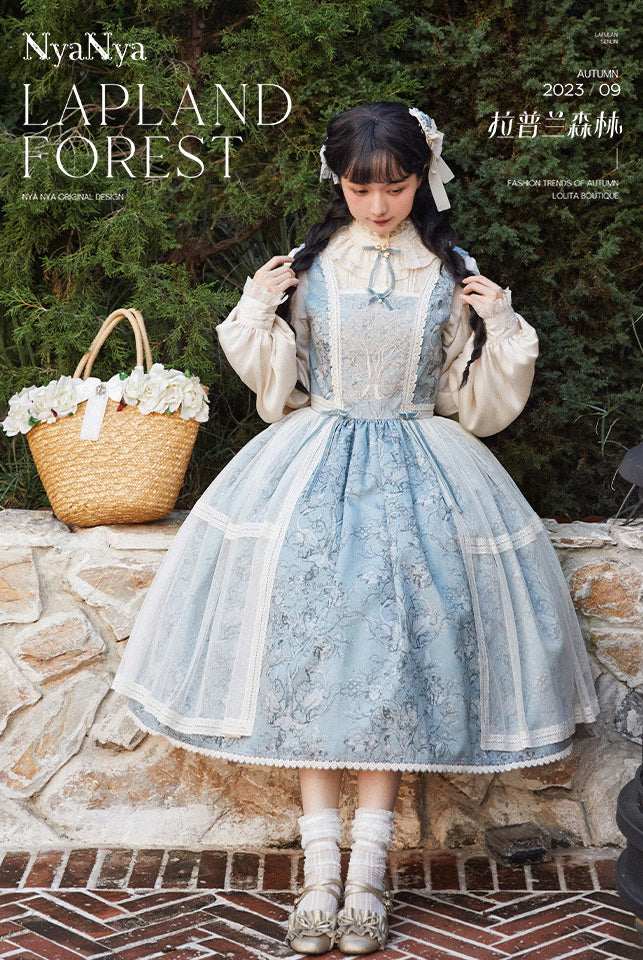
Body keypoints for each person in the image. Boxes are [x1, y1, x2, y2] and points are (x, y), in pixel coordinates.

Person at [112, 101, 600, 955]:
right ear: (336, 182)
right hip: (312, 478)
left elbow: (472, 407)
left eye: (396, 187)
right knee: (311, 659)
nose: (378, 205)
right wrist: (256, 311)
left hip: (424, 479)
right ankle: (317, 876)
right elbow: (279, 391)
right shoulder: (310, 268)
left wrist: (500, 328)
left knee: (388, 670)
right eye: (360, 187)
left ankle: (367, 876)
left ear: (423, 179)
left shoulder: (450, 273)